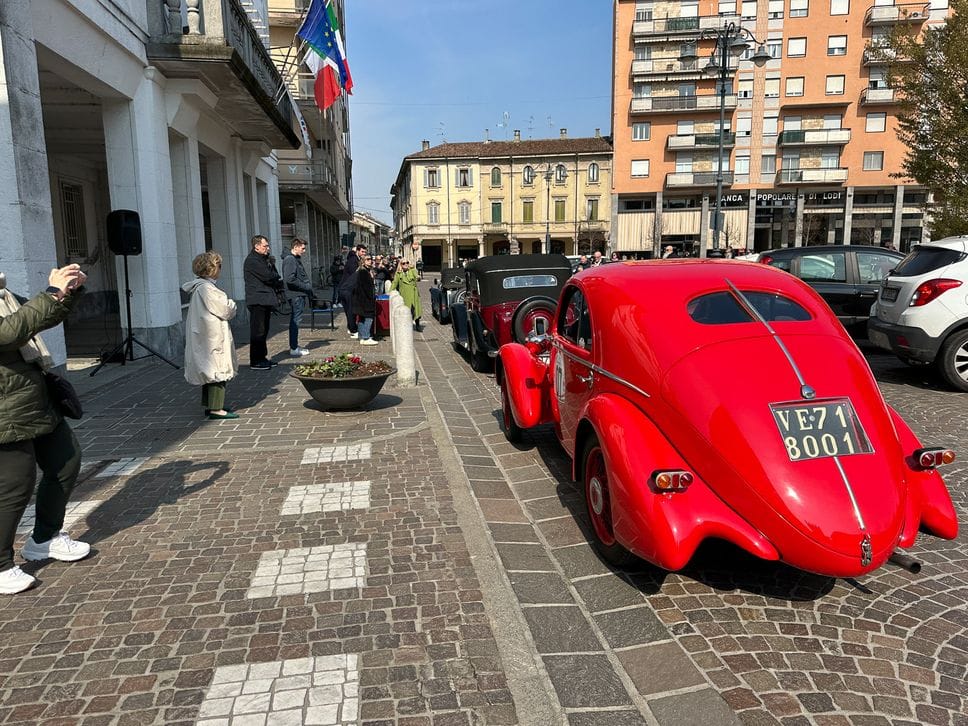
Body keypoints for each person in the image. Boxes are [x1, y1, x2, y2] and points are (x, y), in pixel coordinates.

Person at [0, 264, 90, 595]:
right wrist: (51, 293)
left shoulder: (4, 294)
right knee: (14, 485)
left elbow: (39, 318)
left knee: (66, 461)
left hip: (34, 400)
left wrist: (68, 293)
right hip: (5, 409)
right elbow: (9, 333)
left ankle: (44, 538)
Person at [182, 252, 239, 421]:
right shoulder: (207, 289)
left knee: (210, 369)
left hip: (206, 334)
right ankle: (216, 408)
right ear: (212, 268)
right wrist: (232, 304)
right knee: (217, 370)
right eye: (219, 266)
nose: (221, 269)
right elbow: (225, 310)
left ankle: (211, 404)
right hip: (211, 335)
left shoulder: (200, 287)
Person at [243, 235, 285, 370]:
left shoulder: (263, 259)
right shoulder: (252, 260)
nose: (268, 248)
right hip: (257, 300)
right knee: (258, 331)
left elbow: (274, 274)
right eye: (265, 246)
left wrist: (272, 267)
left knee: (264, 330)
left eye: (268, 245)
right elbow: (269, 276)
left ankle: (262, 357)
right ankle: (256, 360)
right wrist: (274, 275)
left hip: (265, 300)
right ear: (256, 246)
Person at [282, 238, 313, 357]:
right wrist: (305, 287)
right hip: (296, 295)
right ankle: (294, 348)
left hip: (298, 294)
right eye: (302, 248)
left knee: (296, 320)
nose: (304, 251)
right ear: (295, 247)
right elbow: (290, 279)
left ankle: (294, 346)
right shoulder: (290, 259)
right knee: (295, 321)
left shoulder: (294, 259)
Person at [338, 245, 366, 338]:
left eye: (365, 252)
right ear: (357, 251)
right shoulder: (353, 260)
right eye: (362, 251)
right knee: (351, 310)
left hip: (347, 288)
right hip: (347, 289)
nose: (364, 253)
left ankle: (351, 328)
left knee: (350, 310)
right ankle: (353, 330)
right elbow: (355, 275)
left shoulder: (354, 259)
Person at [390, 258, 423, 331]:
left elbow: (417, 276)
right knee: (406, 310)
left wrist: (418, 277)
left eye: (407, 263)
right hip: (404, 294)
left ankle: (417, 325)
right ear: (400, 265)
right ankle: (406, 325)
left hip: (414, 293)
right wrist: (390, 292)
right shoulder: (398, 274)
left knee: (415, 309)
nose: (406, 264)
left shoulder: (412, 271)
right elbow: (394, 283)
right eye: (403, 263)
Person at [352, 254, 378, 346]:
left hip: (362, 299)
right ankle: (366, 337)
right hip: (364, 299)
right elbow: (366, 287)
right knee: (368, 317)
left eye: (371, 259)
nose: (370, 261)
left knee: (362, 318)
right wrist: (371, 297)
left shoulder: (366, 271)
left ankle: (362, 337)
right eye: (367, 259)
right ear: (363, 261)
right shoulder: (363, 272)